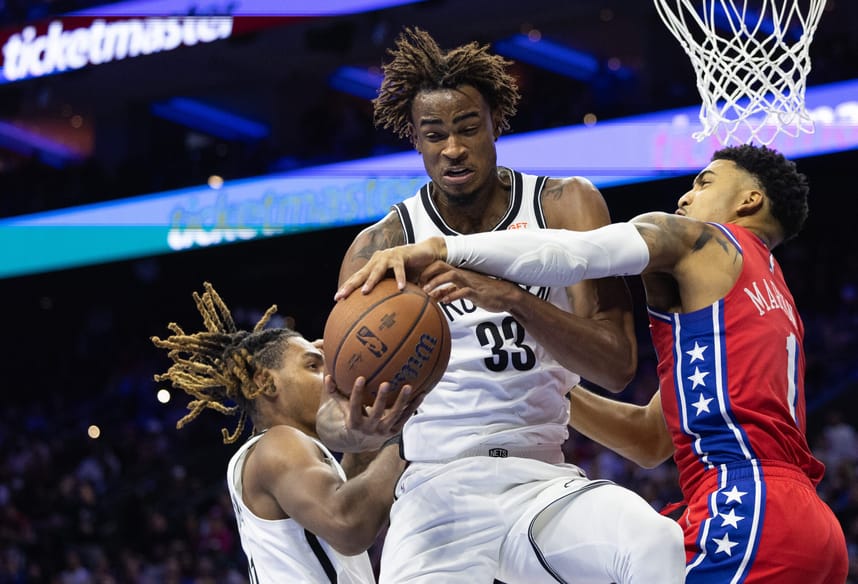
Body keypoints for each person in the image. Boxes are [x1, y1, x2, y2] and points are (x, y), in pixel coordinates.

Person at [337, 143, 850, 583]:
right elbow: (651, 439)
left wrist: (443, 248)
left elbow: (573, 254)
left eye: (705, 181)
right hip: (811, 524)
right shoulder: (772, 295)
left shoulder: (703, 239)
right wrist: (533, 381)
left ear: (749, 199)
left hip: (744, 506)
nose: (685, 195)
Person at [322, 27, 686, 583]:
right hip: (434, 493)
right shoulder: (381, 246)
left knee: (654, 541)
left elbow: (615, 366)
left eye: (468, 128)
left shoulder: (566, 203)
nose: (453, 148)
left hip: (543, 480)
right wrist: (360, 428)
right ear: (415, 142)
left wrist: (511, 297)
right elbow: (333, 413)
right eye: (434, 134)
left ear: (497, 122)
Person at [151, 282, 413, 583]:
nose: (330, 377)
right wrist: (410, 433)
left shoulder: (282, 454)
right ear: (266, 382)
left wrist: (370, 438)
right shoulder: (277, 443)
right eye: (313, 366)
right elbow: (348, 523)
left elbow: (354, 503)